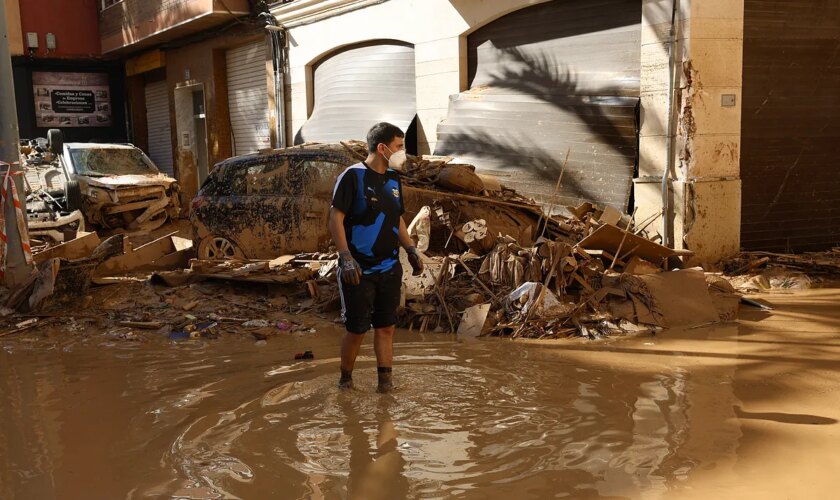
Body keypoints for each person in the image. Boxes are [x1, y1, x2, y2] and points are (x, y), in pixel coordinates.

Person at [329, 122, 424, 393]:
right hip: (357, 268)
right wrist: (345, 256)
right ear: (382, 148)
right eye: (399, 147)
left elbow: (398, 218)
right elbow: (335, 217)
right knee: (357, 329)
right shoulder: (352, 176)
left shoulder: (394, 179)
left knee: (386, 328)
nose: (402, 152)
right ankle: (345, 380)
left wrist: (411, 249)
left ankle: (386, 385)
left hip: (389, 267)